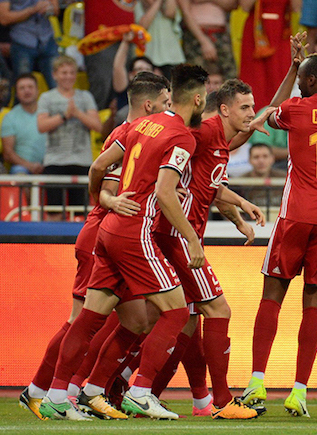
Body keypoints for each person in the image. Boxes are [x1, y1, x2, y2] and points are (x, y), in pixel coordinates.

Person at [38, 64, 208, 421]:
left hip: (109, 228)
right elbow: (165, 192)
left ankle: (59, 394)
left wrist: (102, 201)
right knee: (178, 312)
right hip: (135, 231)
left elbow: (98, 166)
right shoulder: (183, 137)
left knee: (91, 318)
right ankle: (141, 391)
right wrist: (192, 239)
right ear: (198, 99)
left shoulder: (140, 125)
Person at [18, 72, 172, 422]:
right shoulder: (126, 134)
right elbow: (102, 177)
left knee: (136, 320)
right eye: (166, 103)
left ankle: (89, 391)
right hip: (104, 235)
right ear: (149, 105)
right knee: (80, 319)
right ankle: (45, 391)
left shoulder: (141, 134)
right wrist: (103, 203)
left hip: (122, 237)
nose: (169, 110)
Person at [241, 49, 317, 417]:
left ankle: (257, 382)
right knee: (315, 305)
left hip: (295, 216)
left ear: (310, 80)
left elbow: (269, 110)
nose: (297, 85)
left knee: (272, 295)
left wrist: (294, 66)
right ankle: (299, 392)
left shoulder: (296, 109)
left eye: (301, 79)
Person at [154, 78, 271, 420]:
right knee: (218, 309)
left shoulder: (220, 140)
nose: (251, 113)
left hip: (181, 235)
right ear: (224, 109)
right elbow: (166, 155)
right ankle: (221, 400)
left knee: (187, 324)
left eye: (252, 107)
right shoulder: (204, 132)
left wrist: (239, 210)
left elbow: (210, 186)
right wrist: (162, 184)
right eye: (245, 107)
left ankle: (150, 395)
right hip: (178, 236)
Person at [37, 55, 102, 218]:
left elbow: (98, 126)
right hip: (55, 161)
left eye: (72, 72)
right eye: (64, 73)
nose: (68, 76)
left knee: (81, 212)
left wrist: (78, 113)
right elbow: (41, 126)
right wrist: (64, 115)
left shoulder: (85, 96)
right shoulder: (47, 98)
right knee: (54, 211)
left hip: (82, 161)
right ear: (55, 75)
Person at [239, 0, 302, 110]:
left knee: (280, 74)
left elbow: (297, 8)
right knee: (255, 76)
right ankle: (252, 113)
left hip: (281, 31)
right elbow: (245, 6)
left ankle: (279, 113)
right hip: (256, 31)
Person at [0, 0, 59, 89]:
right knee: (24, 86)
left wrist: (48, 9)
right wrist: (32, 10)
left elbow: (56, 10)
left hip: (47, 39)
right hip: (22, 42)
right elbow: (4, 19)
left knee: (57, 85)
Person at [177, 0, 237, 81]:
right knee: (195, 79)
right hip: (195, 35)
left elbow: (233, 4)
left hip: (221, 34)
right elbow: (185, 11)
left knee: (231, 77)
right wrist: (203, 41)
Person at [1, 73, 46, 174]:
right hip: (22, 167)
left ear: (38, 91)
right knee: (19, 173)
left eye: (30, 87)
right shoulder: (10, 118)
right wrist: (30, 166)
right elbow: (8, 154)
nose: (27, 91)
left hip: (50, 165)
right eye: (22, 88)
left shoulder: (49, 113)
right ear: (16, 93)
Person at [134, 0, 185, 79]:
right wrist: (157, 3)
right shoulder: (138, 4)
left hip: (171, 55)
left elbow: (170, 13)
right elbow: (143, 25)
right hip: (149, 55)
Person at [240, 143, 287, 209]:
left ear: (272, 159)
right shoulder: (241, 182)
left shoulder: (284, 178)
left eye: (265, 156)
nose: (261, 161)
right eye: (256, 157)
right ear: (249, 160)